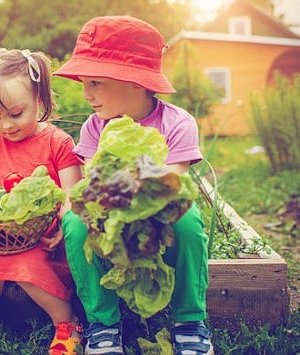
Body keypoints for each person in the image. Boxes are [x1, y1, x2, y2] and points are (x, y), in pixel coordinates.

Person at [53, 16, 214, 355]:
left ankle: (189, 321)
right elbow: (92, 182)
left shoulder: (177, 123)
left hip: (160, 209)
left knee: (188, 224)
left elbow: (174, 183)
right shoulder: (94, 128)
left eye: (95, 83)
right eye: (84, 83)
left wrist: (134, 194)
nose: (86, 95)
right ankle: (103, 324)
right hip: (110, 212)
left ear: (137, 83)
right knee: (74, 223)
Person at [0, 48, 84, 354]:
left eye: (16, 114)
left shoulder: (58, 142)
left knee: (30, 274)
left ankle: (66, 321)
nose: (7, 125)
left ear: (38, 100)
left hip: (43, 235)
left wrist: (64, 227)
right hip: (0, 236)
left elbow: (71, 192)